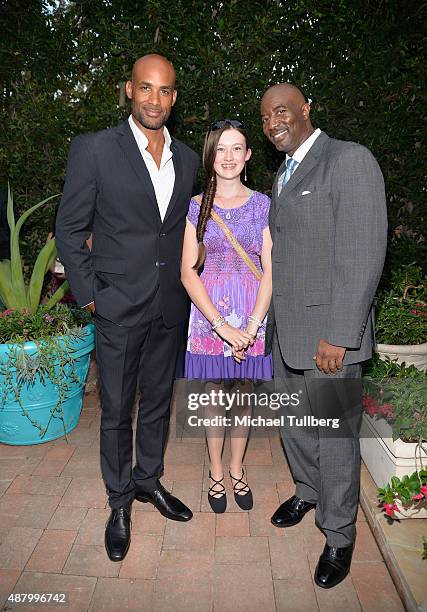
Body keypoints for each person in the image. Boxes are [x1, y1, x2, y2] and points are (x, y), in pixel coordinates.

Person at [56, 54, 199, 562]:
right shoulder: (95, 149)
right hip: (116, 304)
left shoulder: (187, 157)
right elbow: (69, 230)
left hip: (168, 306)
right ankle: (119, 502)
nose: (154, 99)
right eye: (145, 88)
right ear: (129, 91)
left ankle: (148, 482)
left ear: (173, 98)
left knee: (158, 402)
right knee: (116, 410)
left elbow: (178, 229)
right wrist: (92, 294)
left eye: (164, 91)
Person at [260, 84, 387, 588]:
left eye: (283, 110)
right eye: (266, 115)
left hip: (329, 338)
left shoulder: (349, 160)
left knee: (335, 436)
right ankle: (306, 489)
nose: (274, 121)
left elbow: (362, 253)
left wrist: (339, 334)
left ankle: (339, 534)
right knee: (295, 423)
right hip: (287, 332)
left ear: (306, 109)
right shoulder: (281, 175)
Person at [181, 120, 273, 513]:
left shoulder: (264, 205)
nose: (229, 157)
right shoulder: (197, 206)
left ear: (249, 155)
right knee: (214, 396)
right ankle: (216, 470)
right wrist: (222, 325)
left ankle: (238, 467)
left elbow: (270, 270)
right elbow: (187, 271)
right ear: (210, 157)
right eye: (221, 149)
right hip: (209, 316)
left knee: (245, 395)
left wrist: (251, 326)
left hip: (254, 313)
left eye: (237, 148)